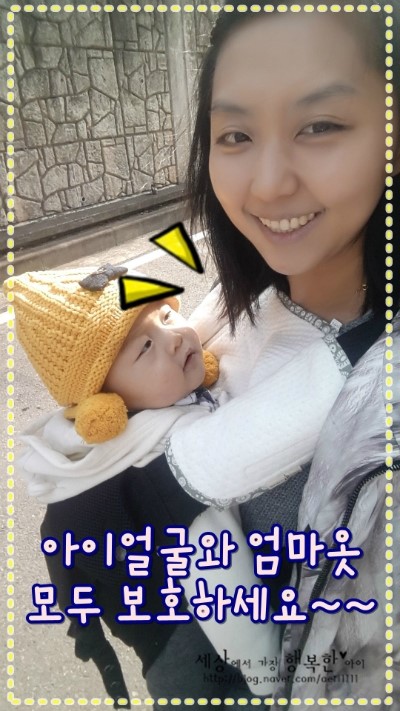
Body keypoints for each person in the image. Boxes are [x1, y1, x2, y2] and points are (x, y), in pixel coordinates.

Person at [155, 2, 399, 704]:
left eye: (319, 126)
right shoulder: (236, 294)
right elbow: (104, 314)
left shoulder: (377, 404)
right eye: (235, 134)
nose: (267, 184)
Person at [12, 266, 280, 707]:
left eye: (168, 316)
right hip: (191, 652)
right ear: (105, 406)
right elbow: (225, 591)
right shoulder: (164, 462)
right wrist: (271, 677)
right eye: (145, 348)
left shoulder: (126, 421)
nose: (174, 338)